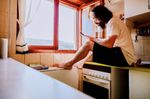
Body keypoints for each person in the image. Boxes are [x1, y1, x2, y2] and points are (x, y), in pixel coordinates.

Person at [55, 5, 136, 69]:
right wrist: (96, 40)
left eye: (94, 18)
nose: (94, 21)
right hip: (122, 56)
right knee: (91, 52)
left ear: (101, 17)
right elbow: (109, 43)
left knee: (88, 44)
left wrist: (93, 39)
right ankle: (76, 64)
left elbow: (109, 44)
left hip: (123, 58)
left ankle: (69, 64)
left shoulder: (113, 22)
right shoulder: (113, 22)